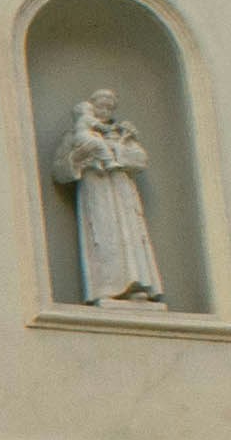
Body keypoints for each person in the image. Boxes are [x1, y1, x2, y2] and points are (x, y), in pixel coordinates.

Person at [59, 92, 167, 306]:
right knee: (104, 236)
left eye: (110, 108)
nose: (105, 111)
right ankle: (107, 288)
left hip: (122, 190)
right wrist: (79, 157)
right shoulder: (77, 134)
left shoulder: (121, 134)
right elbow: (60, 170)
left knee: (130, 236)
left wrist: (119, 146)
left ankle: (137, 284)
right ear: (92, 107)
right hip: (97, 189)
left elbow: (140, 160)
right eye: (101, 106)